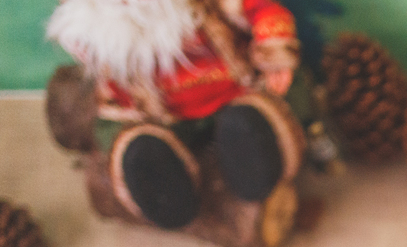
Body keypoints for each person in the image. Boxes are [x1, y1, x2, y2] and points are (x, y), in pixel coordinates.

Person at [47, 0, 306, 229]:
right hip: (154, 114)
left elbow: (261, 8)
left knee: (249, 121)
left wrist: (274, 49)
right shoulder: (93, 26)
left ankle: (252, 154)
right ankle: (159, 181)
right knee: (132, 143)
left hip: (229, 91)